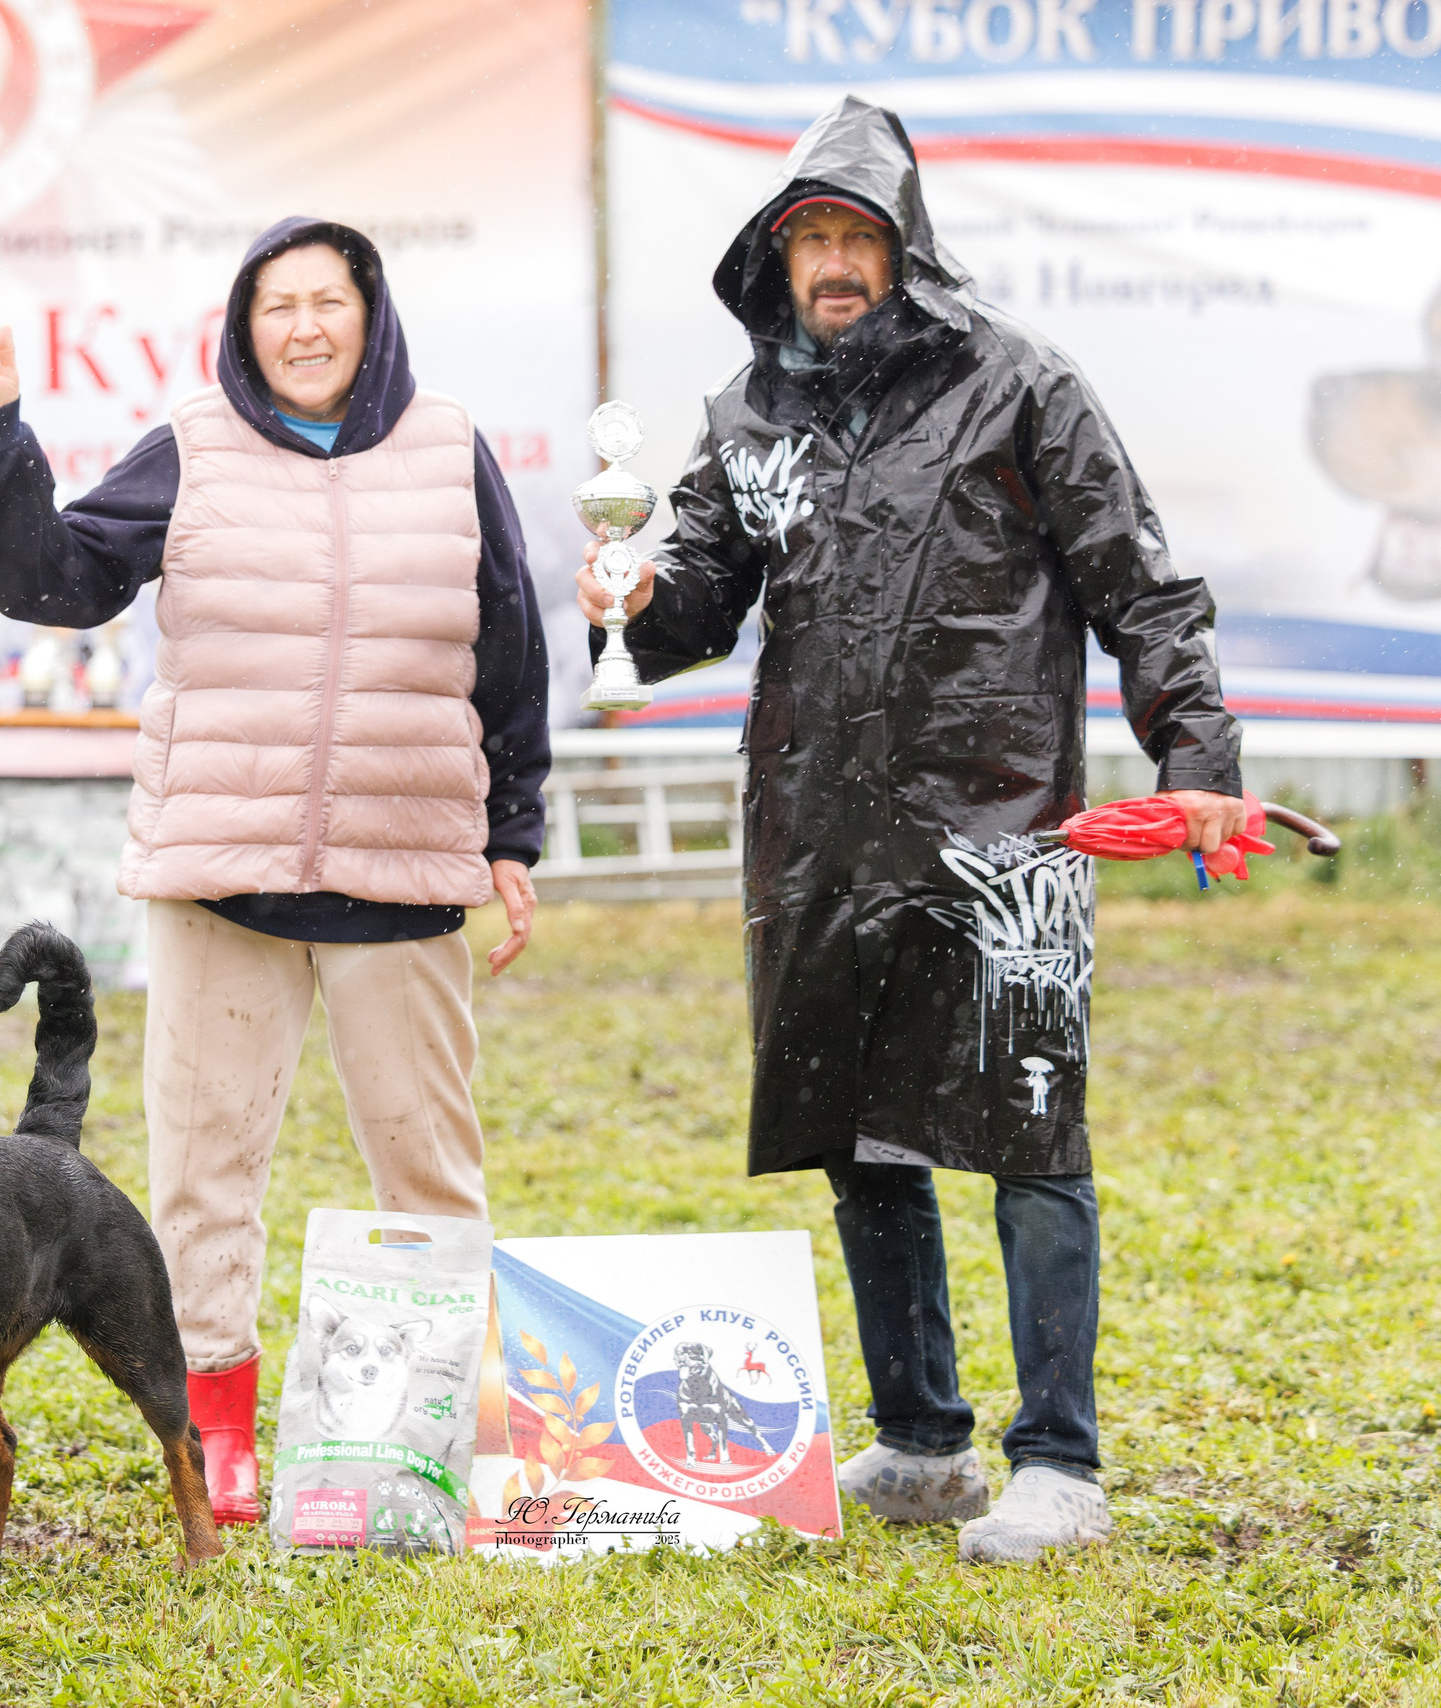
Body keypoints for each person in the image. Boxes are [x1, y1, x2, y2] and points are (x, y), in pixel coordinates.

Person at [578, 98, 1243, 1564]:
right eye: (806, 236)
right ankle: (926, 1439)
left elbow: (1140, 584)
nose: (831, 261)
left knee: (1030, 1128)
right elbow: (700, 601)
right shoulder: (751, 414)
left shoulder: (1019, 384)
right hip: (817, 834)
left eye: (854, 234)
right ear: (774, 257)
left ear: (903, 248)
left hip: (1005, 831)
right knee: (857, 1129)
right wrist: (636, 600)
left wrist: (1195, 754)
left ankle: (1059, 1464)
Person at [0, 217, 551, 1525]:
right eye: (279, 305)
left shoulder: (449, 446)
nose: (305, 327)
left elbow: (508, 647)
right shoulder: (194, 445)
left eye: (329, 301)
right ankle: (216, 1429)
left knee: (429, 1165)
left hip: (401, 874)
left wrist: (513, 832)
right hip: (221, 880)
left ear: (371, 314)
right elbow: (53, 583)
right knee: (204, 1169)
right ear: (243, 323)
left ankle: (451, 1422)